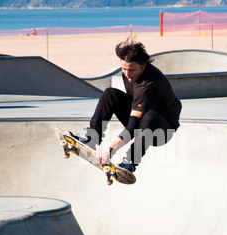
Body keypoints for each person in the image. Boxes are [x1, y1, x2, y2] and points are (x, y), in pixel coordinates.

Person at [68, 38, 182, 172]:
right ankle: (91, 137)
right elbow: (134, 118)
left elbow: (134, 124)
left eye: (132, 70)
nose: (128, 74)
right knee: (110, 94)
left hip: (161, 130)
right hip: (142, 122)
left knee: (150, 116)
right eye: (124, 69)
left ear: (143, 65)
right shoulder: (128, 73)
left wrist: (111, 150)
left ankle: (131, 161)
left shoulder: (149, 84)